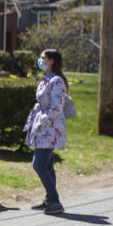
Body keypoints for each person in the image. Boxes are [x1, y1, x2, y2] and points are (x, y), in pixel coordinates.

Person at [24, 49, 68, 215]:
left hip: (49, 127)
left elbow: (56, 106)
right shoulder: (46, 79)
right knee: (47, 165)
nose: (40, 60)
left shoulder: (56, 81)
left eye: (43, 58)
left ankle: (55, 201)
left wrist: (45, 119)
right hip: (43, 127)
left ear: (51, 61)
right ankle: (50, 199)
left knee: (39, 163)